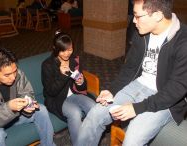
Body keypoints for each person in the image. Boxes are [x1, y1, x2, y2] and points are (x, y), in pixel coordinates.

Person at [76, 0, 187, 146]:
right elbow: (130, 68)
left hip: (164, 96)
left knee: (132, 140)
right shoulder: (142, 33)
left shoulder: (183, 41)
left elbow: (176, 90)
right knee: (94, 115)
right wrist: (112, 90)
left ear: (158, 15)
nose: (133, 21)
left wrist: (137, 108)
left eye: (138, 16)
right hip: (139, 84)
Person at [0, 47, 56, 146]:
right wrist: (9, 108)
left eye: (15, 71)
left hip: (15, 115)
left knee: (42, 110)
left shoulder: (17, 73)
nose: (13, 77)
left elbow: (27, 93)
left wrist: (27, 105)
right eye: (7, 75)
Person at [41, 31, 96, 145]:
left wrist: (81, 82)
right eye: (63, 50)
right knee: (75, 113)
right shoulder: (48, 65)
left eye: (70, 49)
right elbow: (51, 92)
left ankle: (89, 139)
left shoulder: (74, 60)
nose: (67, 53)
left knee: (93, 106)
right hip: (57, 99)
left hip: (74, 94)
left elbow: (82, 87)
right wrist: (62, 75)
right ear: (55, 49)